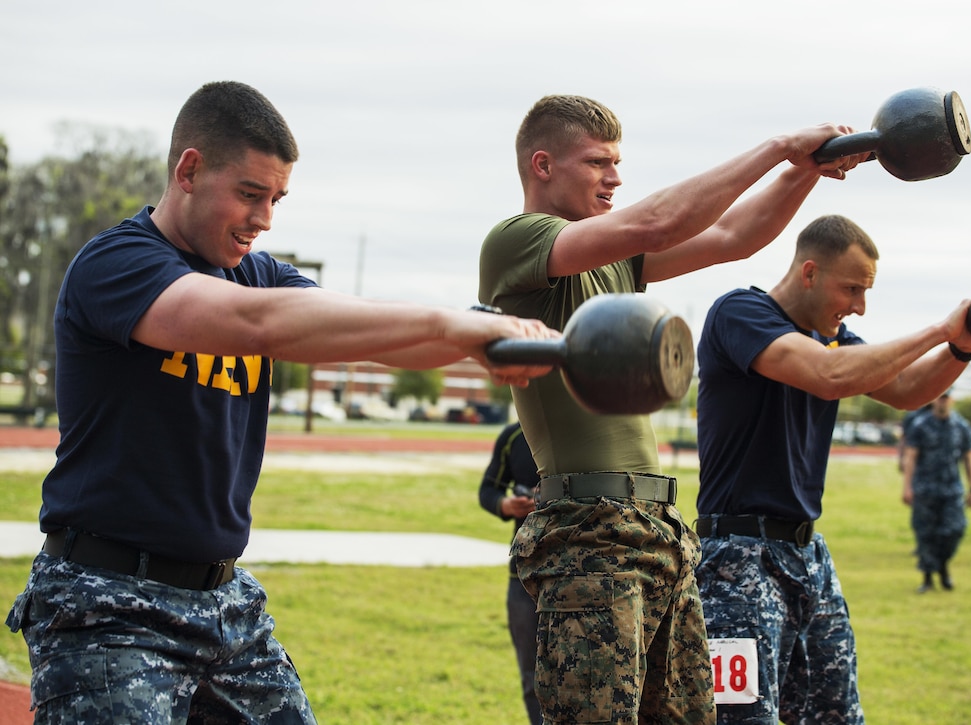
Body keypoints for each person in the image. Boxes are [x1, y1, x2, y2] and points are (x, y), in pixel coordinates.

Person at [4, 81, 557, 724]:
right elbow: (254, 323)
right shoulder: (118, 263)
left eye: (276, 199)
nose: (264, 219)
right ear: (189, 169)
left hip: (223, 600)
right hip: (109, 606)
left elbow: (360, 325)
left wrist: (482, 332)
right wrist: (450, 326)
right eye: (249, 194)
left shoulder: (257, 272)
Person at [479, 93, 868, 724]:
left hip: (656, 527)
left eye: (618, 162)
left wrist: (806, 169)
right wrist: (777, 146)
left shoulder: (612, 261)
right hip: (586, 530)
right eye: (599, 162)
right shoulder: (518, 242)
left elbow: (734, 236)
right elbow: (656, 222)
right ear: (543, 165)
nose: (616, 177)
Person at [694, 214, 971, 723]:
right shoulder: (740, 313)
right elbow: (826, 375)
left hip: (806, 553)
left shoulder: (836, 341)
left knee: (835, 715)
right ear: (809, 272)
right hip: (737, 560)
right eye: (852, 289)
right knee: (742, 718)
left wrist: (960, 347)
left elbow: (908, 390)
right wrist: (937, 329)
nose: (859, 306)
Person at [478, 421, 543, 725]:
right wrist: (505, 504)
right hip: (522, 579)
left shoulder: (581, 426)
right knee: (532, 678)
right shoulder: (513, 436)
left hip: (577, 576)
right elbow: (487, 490)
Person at [901, 390, 971, 592]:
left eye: (946, 397)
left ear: (951, 400)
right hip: (925, 489)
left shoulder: (961, 427)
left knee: (955, 529)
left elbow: (968, 459)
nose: (942, 401)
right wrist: (907, 487)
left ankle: (942, 565)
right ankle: (927, 578)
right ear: (933, 399)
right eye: (939, 397)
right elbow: (910, 458)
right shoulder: (920, 425)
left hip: (952, 489)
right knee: (925, 533)